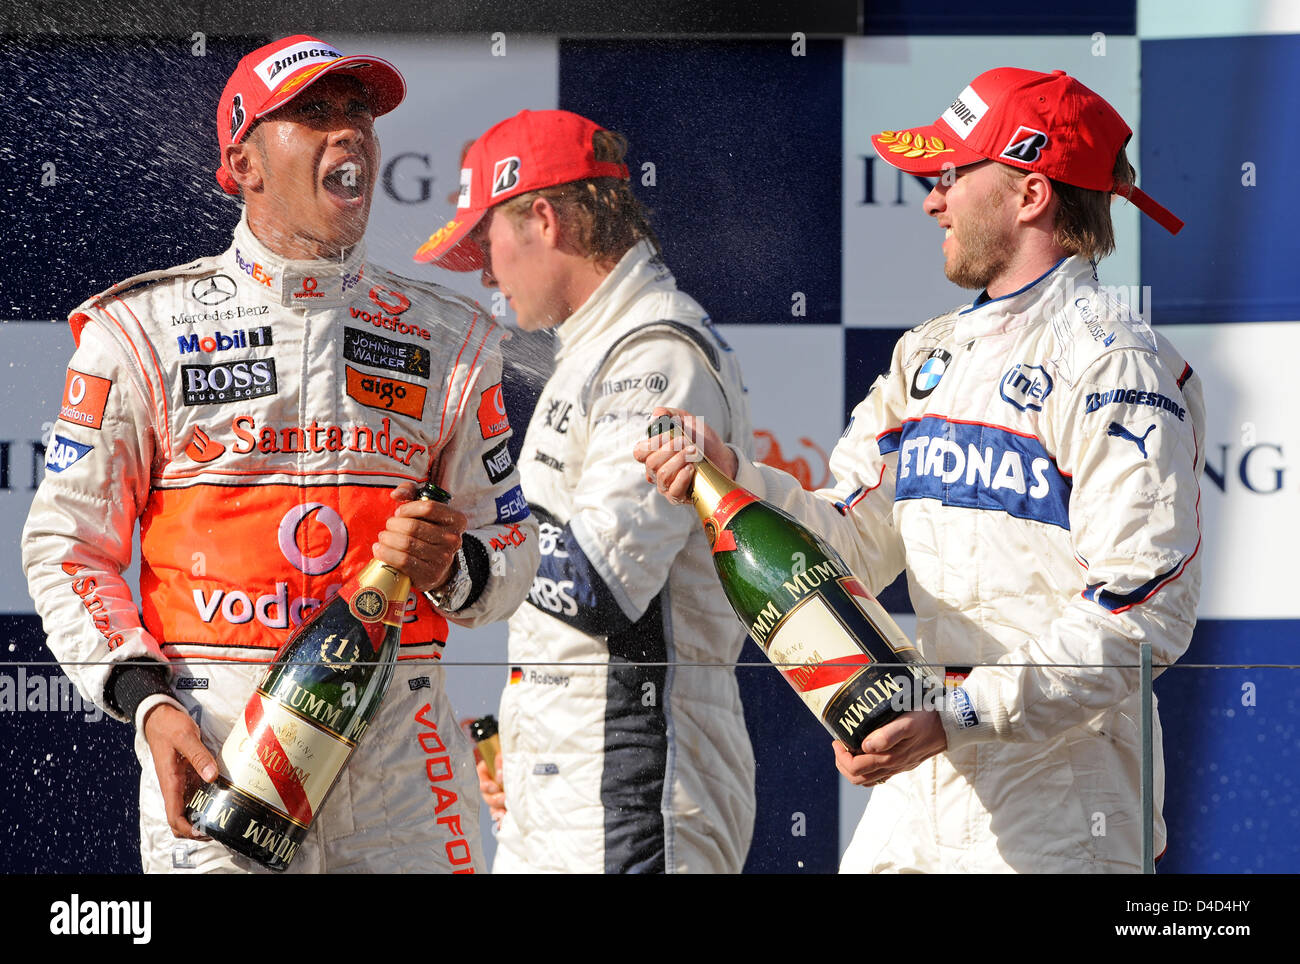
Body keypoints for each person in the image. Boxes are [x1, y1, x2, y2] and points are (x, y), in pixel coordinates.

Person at [637, 67, 1205, 873]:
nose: (932, 200)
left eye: (951, 175)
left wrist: (959, 712)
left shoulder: (1120, 365)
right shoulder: (929, 354)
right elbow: (853, 546)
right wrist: (734, 480)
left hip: (1064, 806)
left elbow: (1143, 614)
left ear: (1031, 194)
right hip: (923, 784)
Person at [21, 34, 538, 874]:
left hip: (405, 788)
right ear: (245, 164)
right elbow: (65, 546)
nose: (350, 134)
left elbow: (509, 554)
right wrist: (148, 704)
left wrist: (452, 565)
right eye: (314, 113)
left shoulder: (454, 339)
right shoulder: (140, 333)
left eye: (358, 114)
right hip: (224, 762)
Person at [414, 109, 756, 873]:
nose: (480, 269)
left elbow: (601, 581)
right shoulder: (593, 350)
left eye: (486, 241)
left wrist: (460, 538)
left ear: (542, 219)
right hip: (574, 789)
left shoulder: (656, 350)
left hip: (635, 785)